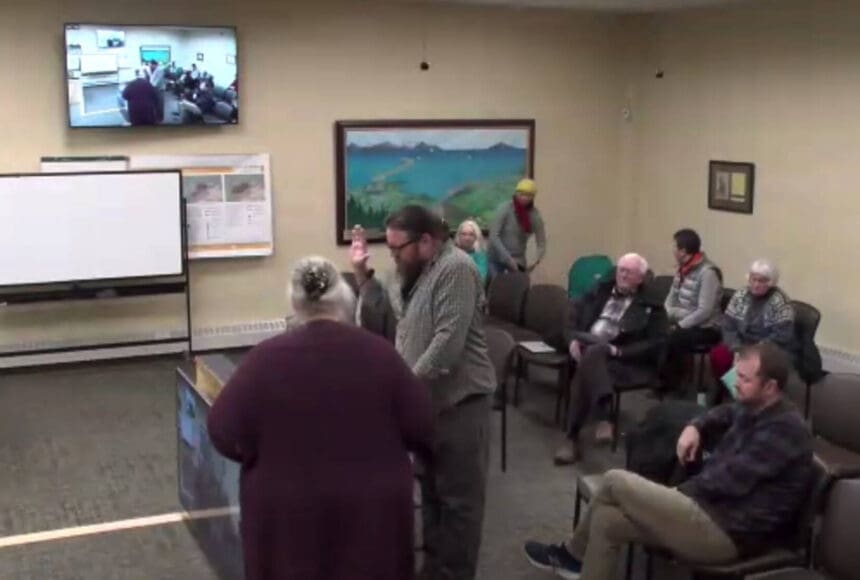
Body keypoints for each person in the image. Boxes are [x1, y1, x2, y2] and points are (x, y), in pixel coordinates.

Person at [207, 256, 434, 580]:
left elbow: (223, 432)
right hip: (373, 523)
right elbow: (422, 424)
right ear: (343, 297)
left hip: (287, 523)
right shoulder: (381, 354)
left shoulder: (264, 359)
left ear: (294, 302)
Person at [525, 342, 813, 580]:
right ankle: (575, 563)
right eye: (736, 375)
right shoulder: (754, 405)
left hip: (730, 533)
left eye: (745, 379)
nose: (735, 384)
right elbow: (722, 413)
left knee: (615, 481)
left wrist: (671, 496)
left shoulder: (785, 430)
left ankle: (571, 557)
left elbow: (728, 482)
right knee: (607, 520)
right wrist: (695, 427)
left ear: (771, 387)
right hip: (711, 510)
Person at [350, 205, 496, 580]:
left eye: (399, 248)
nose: (394, 255)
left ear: (427, 241)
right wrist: (363, 276)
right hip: (428, 405)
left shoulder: (457, 269)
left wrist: (402, 389)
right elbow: (393, 314)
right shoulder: (415, 272)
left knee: (459, 509)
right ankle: (433, 572)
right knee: (431, 498)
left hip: (462, 406)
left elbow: (447, 344)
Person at [554, 253, 667, 465]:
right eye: (620, 270)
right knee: (593, 352)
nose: (622, 275)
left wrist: (618, 351)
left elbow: (656, 344)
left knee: (592, 357)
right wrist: (571, 340)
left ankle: (572, 438)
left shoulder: (653, 306)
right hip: (587, 344)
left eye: (629, 272)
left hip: (622, 359)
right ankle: (604, 414)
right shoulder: (601, 289)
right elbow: (573, 311)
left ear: (640, 278)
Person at [710, 259, 797, 385]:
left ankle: (753, 398)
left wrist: (750, 353)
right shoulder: (741, 295)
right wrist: (736, 348)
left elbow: (781, 336)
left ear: (771, 282)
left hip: (767, 349)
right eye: (753, 279)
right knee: (719, 354)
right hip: (740, 344)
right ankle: (726, 388)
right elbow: (728, 326)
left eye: (761, 281)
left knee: (755, 366)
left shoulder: (780, 301)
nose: (756, 285)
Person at [662, 228, 723, 391]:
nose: (672, 251)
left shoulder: (708, 273)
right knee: (656, 329)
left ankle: (675, 384)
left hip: (707, 327)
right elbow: (671, 297)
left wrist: (680, 324)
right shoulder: (682, 268)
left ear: (683, 251)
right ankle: (661, 378)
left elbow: (704, 311)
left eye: (674, 247)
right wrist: (667, 313)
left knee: (674, 337)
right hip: (684, 319)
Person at [487, 178, 546, 276]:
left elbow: (541, 243)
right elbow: (493, 236)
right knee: (495, 288)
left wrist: (535, 261)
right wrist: (507, 259)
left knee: (520, 287)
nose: (524, 198)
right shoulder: (504, 209)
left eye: (528, 195)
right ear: (516, 193)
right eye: (521, 194)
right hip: (496, 257)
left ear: (533, 197)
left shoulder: (534, 216)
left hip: (518, 258)